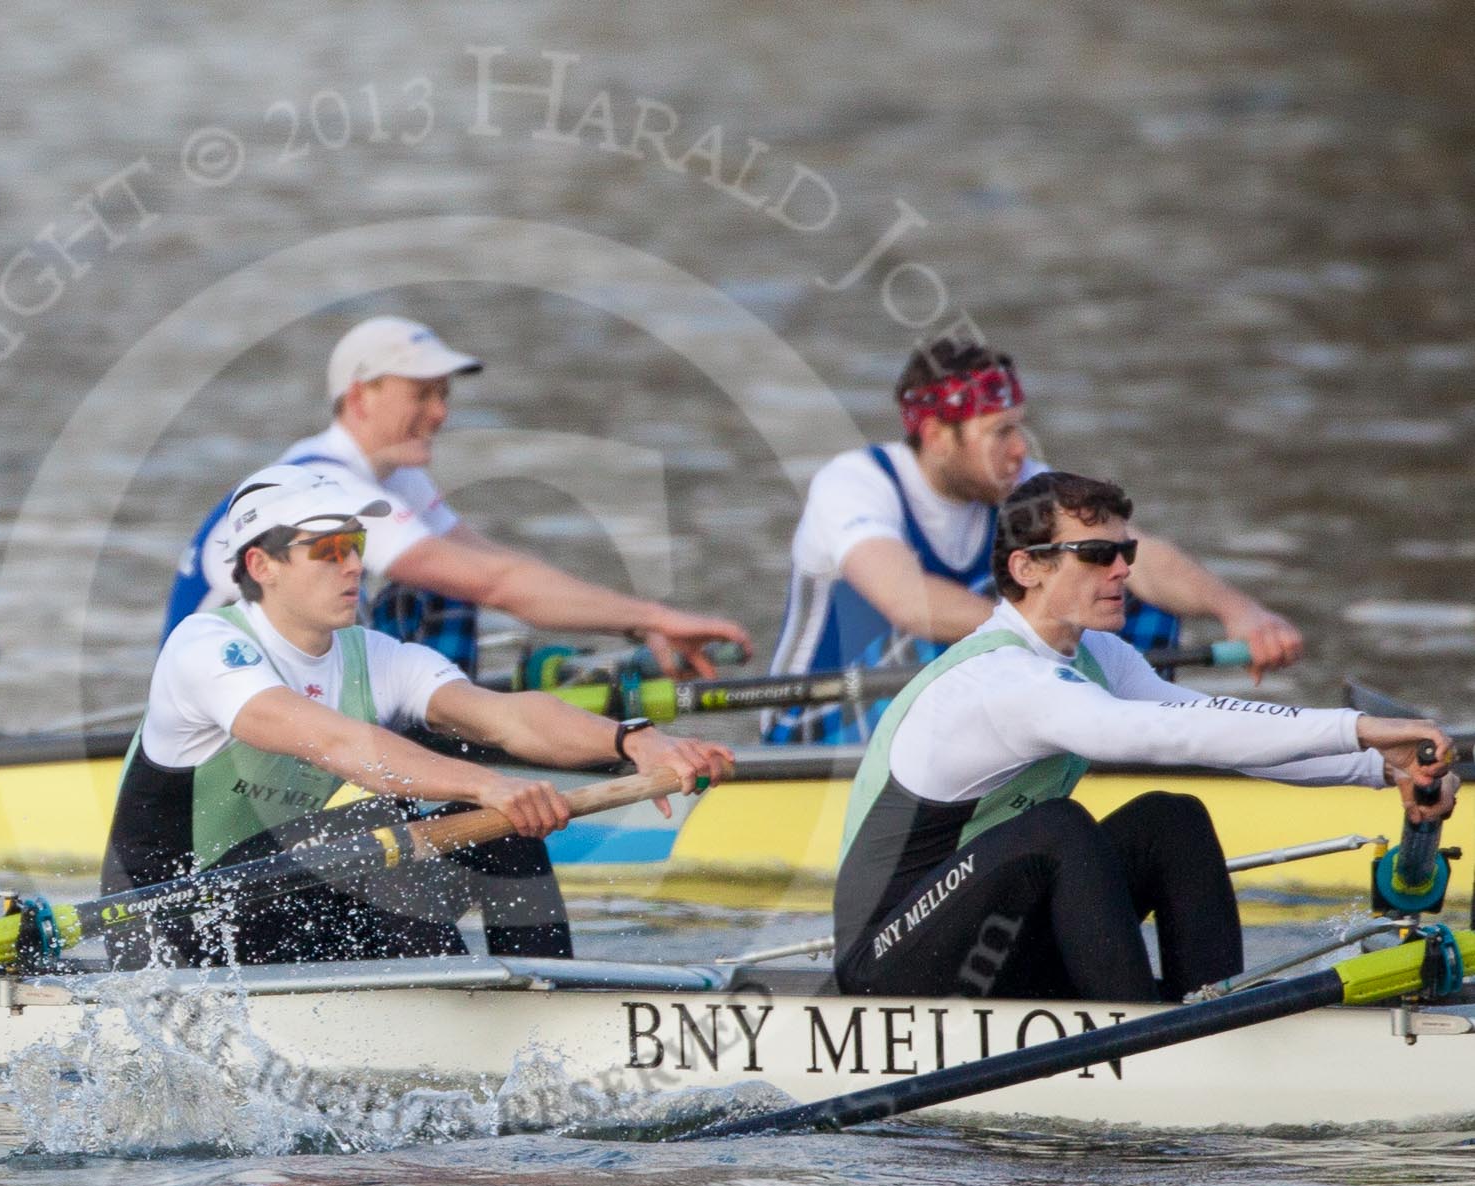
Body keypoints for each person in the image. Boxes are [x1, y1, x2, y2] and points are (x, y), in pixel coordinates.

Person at [832, 470, 1456, 1003]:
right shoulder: (1001, 679)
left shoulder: (1098, 654)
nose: (1124, 569)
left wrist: (1379, 769)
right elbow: (1158, 735)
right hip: (887, 963)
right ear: (1029, 568)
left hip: (990, 945)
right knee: (1059, 826)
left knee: (1171, 818)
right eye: (1098, 554)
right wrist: (1361, 728)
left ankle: (1209, 1009)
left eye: (1125, 551)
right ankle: (1144, 1039)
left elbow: (1211, 721)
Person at [107, 464, 735, 967]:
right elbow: (339, 744)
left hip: (276, 911)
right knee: (391, 819)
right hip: (166, 933)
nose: (354, 564)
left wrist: (634, 741)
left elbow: (506, 719)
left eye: (355, 544)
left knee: (497, 825)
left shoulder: (373, 656)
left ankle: (549, 1009)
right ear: (260, 565)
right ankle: (453, 1019)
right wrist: (488, 782)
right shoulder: (206, 647)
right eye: (326, 547)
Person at [764, 338, 1304, 743]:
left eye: (1019, 428)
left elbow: (1142, 559)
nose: (1019, 448)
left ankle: (1129, 747)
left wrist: (1239, 611)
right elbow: (909, 602)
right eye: (1000, 431)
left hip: (950, 721)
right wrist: (1068, 652)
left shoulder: (1016, 484)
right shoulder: (856, 483)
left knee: (1115, 585)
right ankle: (1096, 731)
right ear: (935, 436)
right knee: (952, 635)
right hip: (819, 723)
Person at [164, 315, 751, 678]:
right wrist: (655, 615)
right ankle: (441, 755)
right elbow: (496, 586)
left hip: (288, 687)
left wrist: (636, 626)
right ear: (360, 397)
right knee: (441, 584)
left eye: (443, 395)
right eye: (421, 395)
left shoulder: (394, 477)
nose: (440, 413)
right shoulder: (328, 484)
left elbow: (496, 569)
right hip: (222, 706)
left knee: (442, 586)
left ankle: (445, 738)